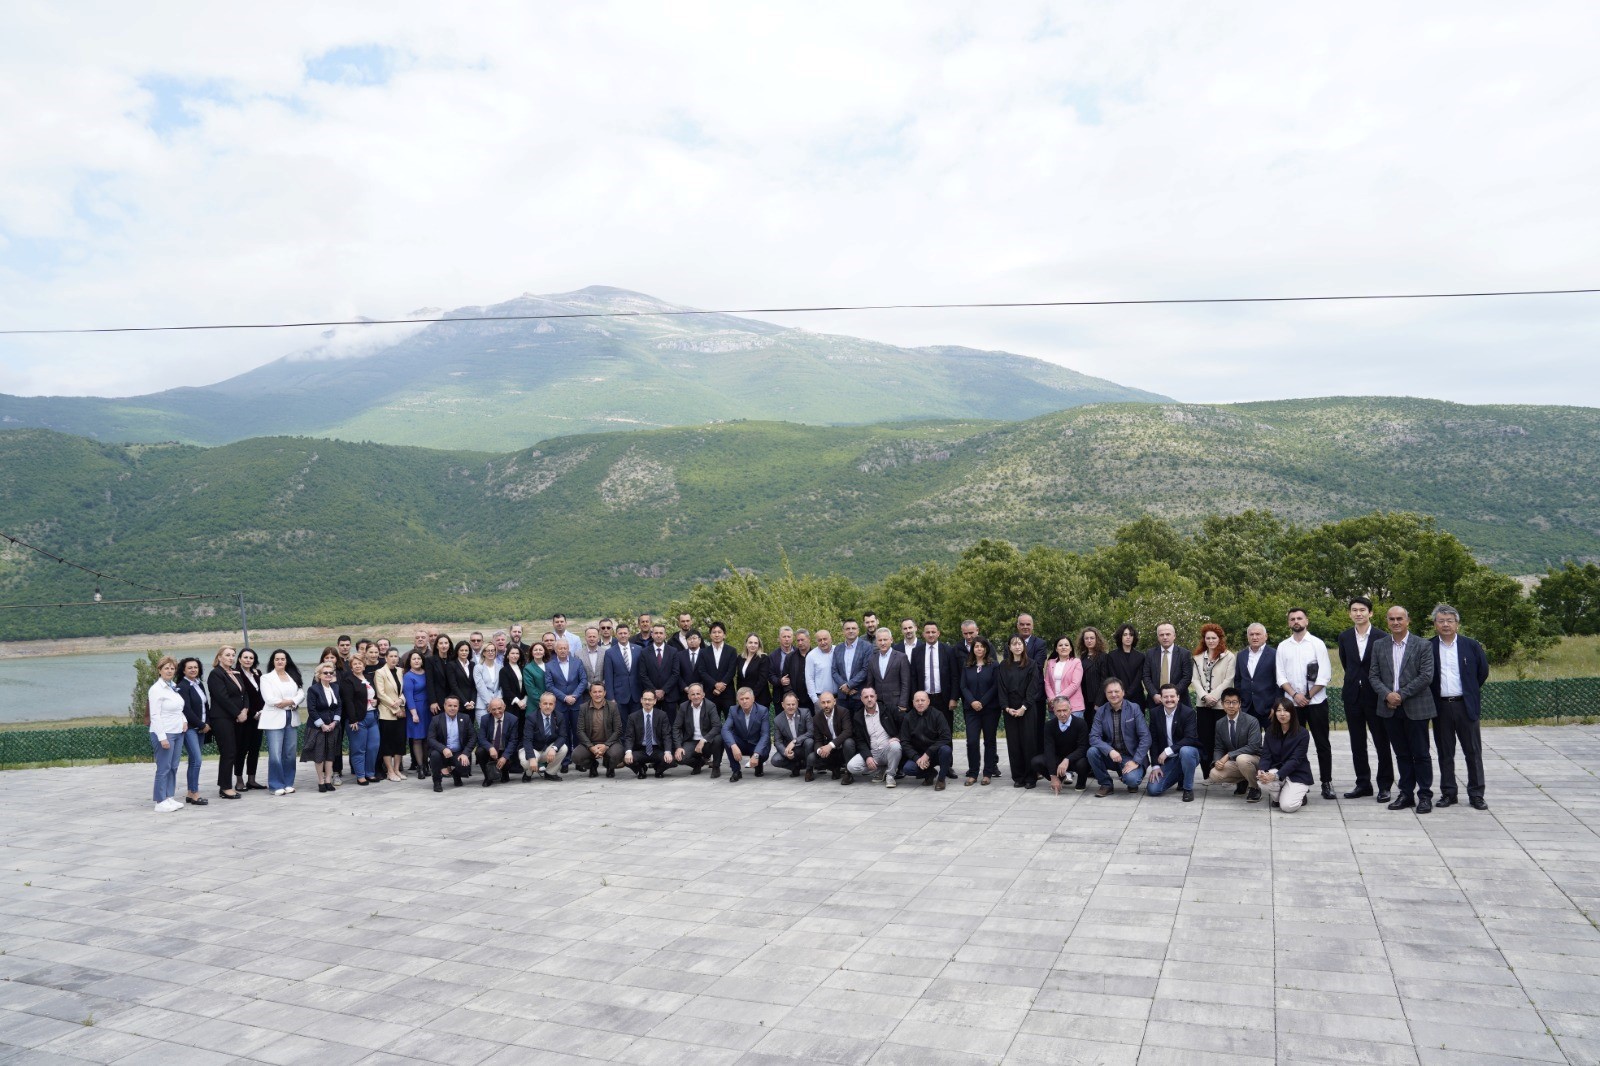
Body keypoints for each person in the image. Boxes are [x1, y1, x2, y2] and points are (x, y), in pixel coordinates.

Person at [1369, 605, 1438, 813]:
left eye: (1400, 618)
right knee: (1401, 754)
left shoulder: (1423, 644)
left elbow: (1426, 676)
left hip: (1416, 707)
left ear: (1408, 620)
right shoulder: (1379, 645)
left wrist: (1400, 695)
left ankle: (1424, 795)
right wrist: (1387, 695)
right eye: (1391, 619)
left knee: (1421, 754)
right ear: (1387, 622)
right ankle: (1406, 794)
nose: (1396, 622)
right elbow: (1373, 675)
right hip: (1389, 708)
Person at [1430, 603, 1490, 811]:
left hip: (1465, 705)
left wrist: (1469, 691)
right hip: (1440, 707)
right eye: (1441, 621)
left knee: (1473, 752)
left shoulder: (1471, 645)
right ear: (1435, 624)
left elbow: (1482, 672)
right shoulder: (1428, 647)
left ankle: (1476, 794)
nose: (1446, 624)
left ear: (1457, 623)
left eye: (1450, 621)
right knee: (1445, 752)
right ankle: (1449, 793)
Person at [1275, 608, 1335, 800]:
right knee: (1293, 745)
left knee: (1322, 743)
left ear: (1306, 621)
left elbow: (1324, 675)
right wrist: (1295, 695)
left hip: (1316, 702)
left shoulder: (1317, 644)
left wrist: (1307, 696)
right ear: (1288, 623)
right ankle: (1299, 782)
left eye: (1299, 618)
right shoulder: (1283, 646)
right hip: (1292, 704)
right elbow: (1280, 676)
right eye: (1292, 619)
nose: (1296, 621)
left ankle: (1326, 782)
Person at [1338, 597, 1393, 802]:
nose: (1358, 613)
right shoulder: (1344, 637)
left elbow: (1386, 667)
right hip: (1352, 696)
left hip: (1376, 696)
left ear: (1370, 613)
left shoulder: (1382, 637)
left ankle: (1385, 785)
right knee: (1357, 743)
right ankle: (1363, 784)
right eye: (1354, 610)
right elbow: (1346, 664)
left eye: (1362, 610)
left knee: (1381, 742)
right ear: (1349, 613)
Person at [1088, 678, 1150, 797]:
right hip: (1111, 755)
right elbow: (1093, 737)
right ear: (1105, 694)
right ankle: (1106, 784)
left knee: (1132, 780)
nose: (1113, 695)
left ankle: (1128, 777)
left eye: (1116, 691)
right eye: (1110, 692)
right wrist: (1109, 750)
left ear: (1123, 692)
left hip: (1131, 755)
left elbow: (1145, 737)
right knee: (1092, 752)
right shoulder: (1101, 711)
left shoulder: (1134, 708)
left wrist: (1136, 760)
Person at [1190, 623, 1235, 782]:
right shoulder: (1197, 657)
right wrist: (1204, 697)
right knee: (1205, 739)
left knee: (1222, 740)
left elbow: (1228, 680)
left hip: (1220, 705)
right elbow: (1195, 679)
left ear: (1219, 639)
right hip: (1203, 705)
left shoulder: (1229, 657)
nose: (1210, 641)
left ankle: (1224, 773)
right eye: (1207, 638)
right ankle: (1207, 774)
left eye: (1213, 638)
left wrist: (1214, 696)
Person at [998, 635, 1043, 788]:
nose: (1017, 647)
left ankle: (1030, 777)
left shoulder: (1032, 664)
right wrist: (1006, 707)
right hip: (1010, 709)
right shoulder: (1003, 665)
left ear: (1024, 646)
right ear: (1009, 647)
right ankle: (1018, 776)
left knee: (1029, 743)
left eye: (1020, 644)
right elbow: (1001, 688)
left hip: (1027, 709)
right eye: (1014, 644)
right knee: (1014, 744)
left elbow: (1033, 688)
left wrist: (1024, 707)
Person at [1144, 684, 1202, 801]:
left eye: (1172, 696)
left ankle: (1187, 788)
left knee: (1186, 751)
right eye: (1165, 697)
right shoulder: (1155, 713)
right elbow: (1153, 741)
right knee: (1153, 789)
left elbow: (1190, 738)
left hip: (1188, 754)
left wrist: (1168, 751)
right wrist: (1155, 766)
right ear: (1160, 698)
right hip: (1169, 760)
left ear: (1178, 697)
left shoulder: (1188, 712)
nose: (1169, 699)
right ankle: (1181, 774)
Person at [259, 649, 304, 795]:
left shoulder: (293, 676)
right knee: (275, 754)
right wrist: (288, 702)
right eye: (277, 659)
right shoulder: (266, 678)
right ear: (273, 661)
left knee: (290, 753)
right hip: (274, 719)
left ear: (287, 661)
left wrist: (290, 702)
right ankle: (275, 785)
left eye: (282, 659)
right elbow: (269, 699)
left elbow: (301, 693)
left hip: (291, 717)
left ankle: (288, 782)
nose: (280, 661)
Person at [1257, 698, 1314, 812]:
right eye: (1279, 710)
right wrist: (1262, 770)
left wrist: (1276, 776)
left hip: (1297, 773)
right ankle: (1280, 797)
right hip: (1277, 770)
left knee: (1287, 807)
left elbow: (1296, 760)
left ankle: (1299, 795)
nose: (1282, 714)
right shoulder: (1270, 731)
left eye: (1286, 710)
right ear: (1275, 713)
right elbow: (1266, 755)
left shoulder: (1303, 733)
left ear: (1292, 713)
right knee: (1262, 781)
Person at [1207, 689, 1263, 802]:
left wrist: (1229, 755)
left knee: (1242, 759)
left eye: (1234, 702)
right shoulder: (1220, 723)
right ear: (1222, 704)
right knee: (1214, 774)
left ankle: (1255, 788)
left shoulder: (1251, 721)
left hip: (1254, 759)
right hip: (1236, 761)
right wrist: (1217, 761)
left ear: (1240, 704)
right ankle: (1243, 780)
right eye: (1227, 702)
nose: (1231, 706)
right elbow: (1219, 747)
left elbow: (1254, 746)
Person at [147, 656, 188, 812]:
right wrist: (162, 737)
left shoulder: (173, 686)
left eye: (172, 668)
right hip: (164, 733)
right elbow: (155, 715)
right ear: (159, 670)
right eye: (166, 668)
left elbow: (178, 708)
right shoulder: (156, 689)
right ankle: (160, 800)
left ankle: (169, 796)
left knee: (173, 766)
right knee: (163, 767)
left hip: (178, 731)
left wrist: (184, 720)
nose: (170, 671)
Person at [206, 647, 246, 800]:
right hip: (222, 718)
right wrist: (237, 713)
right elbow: (222, 698)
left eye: (233, 655)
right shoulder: (216, 674)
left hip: (236, 718)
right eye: (227, 655)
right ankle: (225, 787)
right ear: (219, 657)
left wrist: (245, 710)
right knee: (228, 752)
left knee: (234, 751)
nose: (231, 658)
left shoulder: (235, 673)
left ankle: (226, 785)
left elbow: (244, 693)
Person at [959, 636, 1000, 786]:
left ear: (986, 648)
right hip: (971, 710)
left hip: (990, 709)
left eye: (982, 646)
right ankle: (973, 772)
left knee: (989, 741)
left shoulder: (994, 665)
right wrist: (972, 702)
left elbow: (995, 686)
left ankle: (987, 773)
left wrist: (982, 702)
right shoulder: (967, 665)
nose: (979, 649)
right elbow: (963, 686)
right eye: (976, 646)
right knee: (971, 741)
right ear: (973, 649)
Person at [543, 639, 588, 771]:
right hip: (560, 704)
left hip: (576, 702)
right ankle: (565, 761)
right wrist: (564, 697)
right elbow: (549, 685)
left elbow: (583, 680)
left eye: (565, 648)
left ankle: (579, 761)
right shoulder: (549, 665)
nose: (563, 650)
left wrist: (574, 696)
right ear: (555, 650)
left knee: (578, 732)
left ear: (568, 649)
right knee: (563, 732)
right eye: (560, 648)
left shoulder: (577, 662)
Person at [1033, 696, 1090, 794]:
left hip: (1076, 759)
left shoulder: (1081, 723)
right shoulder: (1049, 725)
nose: (1062, 714)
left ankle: (1081, 782)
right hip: (1058, 759)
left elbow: (1083, 747)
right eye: (1058, 711)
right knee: (1036, 761)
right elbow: (1049, 750)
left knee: (1083, 763)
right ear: (1054, 711)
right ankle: (1059, 777)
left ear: (1070, 709)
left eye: (1065, 710)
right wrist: (1053, 776)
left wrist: (1067, 759)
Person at [900, 690, 954, 790]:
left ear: (928, 702)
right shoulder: (908, 718)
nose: (920, 703)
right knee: (908, 769)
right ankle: (930, 773)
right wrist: (916, 758)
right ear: (913, 703)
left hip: (935, 753)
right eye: (917, 701)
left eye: (922, 700)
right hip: (919, 755)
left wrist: (928, 753)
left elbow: (946, 737)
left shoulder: (938, 715)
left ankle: (941, 780)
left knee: (946, 750)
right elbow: (904, 742)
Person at [909, 622, 958, 731]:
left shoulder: (948, 650)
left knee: (945, 730)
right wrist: (915, 698)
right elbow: (913, 677)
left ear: (938, 633)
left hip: (944, 699)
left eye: (933, 632)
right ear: (923, 634)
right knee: (925, 730)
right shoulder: (916, 651)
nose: (930, 635)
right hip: (924, 699)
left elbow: (954, 676)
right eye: (928, 632)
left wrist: (953, 698)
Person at [302, 662, 343, 792]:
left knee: (331, 754)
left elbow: (339, 706)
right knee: (319, 755)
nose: (329, 675)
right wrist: (322, 725)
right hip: (318, 727)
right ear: (319, 675)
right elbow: (311, 709)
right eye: (325, 673)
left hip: (332, 726)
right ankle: (321, 781)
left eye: (331, 673)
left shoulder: (335, 687)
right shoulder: (313, 689)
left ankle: (328, 780)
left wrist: (335, 722)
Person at [342, 650, 380, 786]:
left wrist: (376, 701)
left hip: (372, 717)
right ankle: (360, 775)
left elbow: (374, 696)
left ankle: (370, 773)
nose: (358, 666)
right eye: (355, 664)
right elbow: (348, 701)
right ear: (351, 667)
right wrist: (353, 719)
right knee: (359, 748)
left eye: (360, 663)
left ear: (364, 665)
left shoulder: (369, 678)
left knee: (373, 747)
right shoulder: (348, 680)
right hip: (358, 719)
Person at [176, 657, 209, 806]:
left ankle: (190, 792)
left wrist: (207, 723)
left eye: (195, 667)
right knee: (197, 760)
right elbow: (186, 710)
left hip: (201, 728)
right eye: (190, 668)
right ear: (183, 670)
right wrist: (201, 724)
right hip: (190, 728)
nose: (193, 670)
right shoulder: (182, 686)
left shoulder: (199, 684)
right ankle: (195, 794)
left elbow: (205, 705)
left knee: (193, 761)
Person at [623, 690, 678, 778]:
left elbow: (666, 735)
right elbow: (629, 737)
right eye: (645, 699)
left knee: (672, 760)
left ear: (655, 701)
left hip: (657, 748)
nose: (647, 702)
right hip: (641, 749)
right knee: (627, 759)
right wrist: (628, 752)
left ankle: (659, 769)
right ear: (641, 700)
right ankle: (641, 769)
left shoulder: (662, 715)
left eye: (650, 699)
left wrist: (668, 752)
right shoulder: (633, 717)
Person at [573, 683, 624, 778]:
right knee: (576, 756)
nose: (597, 694)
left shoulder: (613, 707)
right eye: (595, 692)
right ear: (590, 693)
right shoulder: (583, 707)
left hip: (610, 742)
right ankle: (593, 765)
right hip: (590, 742)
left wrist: (606, 746)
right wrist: (591, 747)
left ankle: (609, 766)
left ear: (604, 693)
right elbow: (580, 730)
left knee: (617, 754)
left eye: (600, 691)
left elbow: (618, 730)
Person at [427, 696, 477, 791]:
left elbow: (473, 737)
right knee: (434, 755)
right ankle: (437, 782)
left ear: (458, 707)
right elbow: (430, 739)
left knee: (464, 765)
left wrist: (465, 753)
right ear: (444, 706)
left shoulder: (465, 718)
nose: (452, 708)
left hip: (458, 753)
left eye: (455, 706)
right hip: (441, 752)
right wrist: (443, 749)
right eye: (450, 705)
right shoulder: (436, 719)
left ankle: (456, 774)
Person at [675, 683, 725, 778]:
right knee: (679, 758)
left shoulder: (710, 706)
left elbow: (717, 726)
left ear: (703, 695)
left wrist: (703, 740)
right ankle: (697, 763)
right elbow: (676, 727)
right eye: (693, 694)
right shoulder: (683, 707)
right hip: (691, 740)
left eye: (698, 693)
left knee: (719, 739)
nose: (696, 696)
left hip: (707, 741)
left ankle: (716, 767)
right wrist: (678, 747)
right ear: (689, 696)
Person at [1043, 635, 1084, 749]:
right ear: (1056, 649)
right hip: (1054, 706)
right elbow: (1047, 682)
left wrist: (1058, 699)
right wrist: (1052, 699)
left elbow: (1075, 684)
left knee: (1073, 738)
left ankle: (1074, 759)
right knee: (1057, 738)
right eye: (1060, 645)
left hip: (1074, 706)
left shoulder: (1076, 662)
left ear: (1071, 648)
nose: (1063, 647)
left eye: (1066, 645)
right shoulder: (1050, 663)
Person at [233, 648, 266, 791]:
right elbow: (238, 697)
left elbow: (262, 694)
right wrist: (252, 713)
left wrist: (262, 712)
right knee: (241, 749)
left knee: (255, 749)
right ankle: (239, 780)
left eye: (251, 658)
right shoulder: (235, 674)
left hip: (259, 717)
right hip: (244, 717)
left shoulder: (257, 674)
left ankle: (251, 779)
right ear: (239, 659)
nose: (248, 660)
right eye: (245, 657)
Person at [721, 687, 770, 782]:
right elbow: (725, 729)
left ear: (753, 699)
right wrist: (733, 746)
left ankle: (758, 765)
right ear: (738, 700)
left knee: (763, 751)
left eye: (747, 698)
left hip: (756, 744)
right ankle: (736, 771)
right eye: (741, 699)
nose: (744, 701)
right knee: (727, 739)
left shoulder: (762, 710)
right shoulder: (733, 710)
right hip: (742, 743)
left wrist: (756, 754)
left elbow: (765, 735)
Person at [1142, 623, 1193, 712]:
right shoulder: (1150, 654)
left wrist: (1172, 695)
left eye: (1168, 634)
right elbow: (1146, 676)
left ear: (1174, 636)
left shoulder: (1184, 654)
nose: (1165, 637)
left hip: (1179, 700)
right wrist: (1154, 694)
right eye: (1161, 635)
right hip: (1156, 701)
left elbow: (1187, 677)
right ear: (1158, 637)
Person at [375, 647, 408, 783]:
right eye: (391, 656)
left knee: (400, 742)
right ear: (386, 658)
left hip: (401, 711)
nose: (394, 659)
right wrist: (395, 708)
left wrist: (401, 700)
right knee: (387, 743)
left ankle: (397, 769)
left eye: (396, 656)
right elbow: (381, 694)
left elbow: (405, 690)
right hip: (387, 712)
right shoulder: (380, 672)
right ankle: (389, 771)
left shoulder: (401, 671)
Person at [812, 690, 859, 783]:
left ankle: (849, 773)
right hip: (832, 752)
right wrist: (820, 750)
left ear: (834, 701)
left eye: (828, 702)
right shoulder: (816, 718)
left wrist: (830, 745)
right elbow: (818, 740)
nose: (826, 705)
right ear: (820, 704)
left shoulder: (843, 712)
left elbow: (847, 732)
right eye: (823, 702)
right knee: (812, 757)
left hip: (843, 747)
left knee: (848, 742)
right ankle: (834, 768)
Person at [863, 627, 911, 717]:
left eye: (885, 639)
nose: (882, 643)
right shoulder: (872, 659)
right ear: (876, 642)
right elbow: (870, 683)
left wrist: (903, 703)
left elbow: (906, 683)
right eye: (880, 640)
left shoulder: (901, 657)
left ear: (891, 640)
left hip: (897, 703)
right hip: (878, 704)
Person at [1235, 623, 1277, 725]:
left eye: (1258, 634)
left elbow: (1279, 682)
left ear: (1265, 636)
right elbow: (1238, 680)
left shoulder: (1274, 654)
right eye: (1251, 634)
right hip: (1247, 707)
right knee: (1248, 736)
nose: (1254, 637)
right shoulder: (1241, 655)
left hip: (1268, 707)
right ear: (1247, 637)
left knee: (1272, 735)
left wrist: (1276, 705)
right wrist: (1239, 702)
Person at [523, 691, 569, 781]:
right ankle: (528, 773)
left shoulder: (559, 716)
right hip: (534, 749)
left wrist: (554, 748)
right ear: (540, 705)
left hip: (547, 749)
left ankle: (550, 773)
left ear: (554, 705)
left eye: (551, 704)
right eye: (545, 703)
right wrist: (532, 758)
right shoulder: (531, 717)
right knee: (526, 762)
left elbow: (562, 736)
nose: (548, 706)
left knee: (563, 748)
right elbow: (527, 740)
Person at [604, 625, 646, 722]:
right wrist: (611, 698)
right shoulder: (610, 652)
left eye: (625, 633)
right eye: (620, 633)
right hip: (619, 696)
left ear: (629, 634)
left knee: (637, 722)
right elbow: (608, 677)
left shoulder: (639, 649)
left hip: (637, 695)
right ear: (616, 635)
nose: (623, 635)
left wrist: (644, 693)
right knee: (622, 724)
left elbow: (642, 673)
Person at [475, 698, 520, 787]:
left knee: (509, 756)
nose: (497, 712)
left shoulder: (513, 719)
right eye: (494, 709)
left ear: (504, 707)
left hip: (504, 750)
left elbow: (513, 741)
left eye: (499, 708)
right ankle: (488, 777)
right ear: (489, 709)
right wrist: (490, 747)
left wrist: (504, 757)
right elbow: (481, 738)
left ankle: (505, 773)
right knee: (479, 751)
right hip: (490, 750)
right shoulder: (485, 719)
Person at [641, 623, 684, 715]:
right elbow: (643, 675)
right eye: (656, 633)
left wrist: (664, 690)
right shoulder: (644, 652)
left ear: (665, 635)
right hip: (651, 697)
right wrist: (654, 691)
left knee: (670, 721)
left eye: (661, 633)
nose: (658, 635)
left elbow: (676, 673)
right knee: (653, 722)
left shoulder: (673, 651)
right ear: (652, 635)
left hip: (670, 695)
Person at [402, 649, 431, 780]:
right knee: (417, 739)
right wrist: (414, 713)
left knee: (427, 739)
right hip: (415, 709)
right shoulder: (408, 676)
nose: (416, 661)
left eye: (418, 658)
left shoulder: (427, 673)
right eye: (414, 659)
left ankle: (426, 764)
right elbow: (409, 696)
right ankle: (419, 766)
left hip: (428, 709)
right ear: (410, 661)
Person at [831, 621, 870, 714]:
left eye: (853, 628)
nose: (851, 631)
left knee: (859, 722)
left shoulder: (867, 647)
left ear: (858, 630)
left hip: (859, 695)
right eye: (848, 629)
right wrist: (845, 687)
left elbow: (866, 669)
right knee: (842, 722)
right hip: (842, 696)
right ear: (843, 631)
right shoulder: (838, 648)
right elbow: (834, 671)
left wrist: (849, 685)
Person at [768, 692, 812, 776]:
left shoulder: (805, 713)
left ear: (797, 704)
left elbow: (811, 732)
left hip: (804, 747)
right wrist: (785, 752)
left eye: (793, 704)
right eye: (788, 704)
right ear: (782, 705)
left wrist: (795, 741)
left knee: (809, 742)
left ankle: (809, 770)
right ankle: (795, 766)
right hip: (790, 749)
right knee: (775, 760)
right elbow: (777, 741)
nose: (791, 707)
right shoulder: (777, 720)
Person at [699, 622, 738, 713]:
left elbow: (732, 670)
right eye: (714, 632)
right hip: (710, 692)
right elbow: (702, 671)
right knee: (711, 720)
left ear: (724, 635)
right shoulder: (703, 652)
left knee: (731, 719)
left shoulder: (731, 651)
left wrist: (722, 685)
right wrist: (715, 684)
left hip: (727, 693)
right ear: (710, 635)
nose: (717, 635)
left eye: (719, 632)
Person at [1108, 624, 1146, 708]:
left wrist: (1128, 693)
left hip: (1137, 697)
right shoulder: (1112, 656)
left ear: (1134, 637)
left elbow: (1138, 677)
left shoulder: (1141, 656)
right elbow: (1113, 676)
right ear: (1120, 637)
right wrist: (1121, 692)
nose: (1128, 637)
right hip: (1118, 695)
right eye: (1125, 634)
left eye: (1131, 635)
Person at [1078, 627, 1111, 717]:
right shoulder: (1082, 657)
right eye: (1086, 638)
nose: (1089, 641)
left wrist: (1098, 702)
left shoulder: (1103, 657)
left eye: (1092, 638)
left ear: (1097, 639)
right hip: (1084, 699)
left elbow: (1104, 681)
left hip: (1098, 701)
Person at [472, 646, 503, 737]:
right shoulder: (478, 668)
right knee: (485, 732)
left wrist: (497, 702)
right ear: (484, 653)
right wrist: (490, 704)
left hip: (498, 704)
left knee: (497, 732)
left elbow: (501, 686)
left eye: (493, 650)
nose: (490, 652)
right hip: (483, 705)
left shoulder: (500, 667)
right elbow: (480, 686)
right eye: (488, 650)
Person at [424, 633, 454, 727]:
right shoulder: (430, 660)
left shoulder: (454, 659)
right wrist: (433, 701)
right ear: (437, 646)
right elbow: (429, 682)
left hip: (453, 700)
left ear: (449, 645)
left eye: (446, 643)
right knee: (440, 727)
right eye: (441, 643)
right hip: (438, 701)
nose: (444, 646)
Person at [735, 633, 771, 710]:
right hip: (744, 699)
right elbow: (739, 678)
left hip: (760, 698)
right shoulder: (740, 658)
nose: (753, 645)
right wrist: (740, 695)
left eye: (755, 643)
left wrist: (751, 696)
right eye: (750, 642)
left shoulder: (763, 658)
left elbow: (762, 680)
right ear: (746, 644)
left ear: (759, 645)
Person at [804, 629, 837, 709]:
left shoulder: (838, 650)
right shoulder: (811, 656)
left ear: (830, 639)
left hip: (838, 698)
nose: (823, 642)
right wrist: (815, 700)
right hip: (821, 699)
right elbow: (809, 679)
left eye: (825, 639)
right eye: (820, 640)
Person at [500, 645, 528, 731]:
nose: (515, 655)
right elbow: (506, 690)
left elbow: (526, 687)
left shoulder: (523, 668)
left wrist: (524, 700)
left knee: (523, 728)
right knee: (512, 729)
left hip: (524, 704)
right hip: (511, 704)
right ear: (507, 655)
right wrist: (518, 701)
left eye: (517, 653)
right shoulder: (504, 670)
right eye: (512, 653)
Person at [523, 641, 549, 718]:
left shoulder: (550, 665)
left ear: (544, 652)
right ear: (532, 653)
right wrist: (543, 704)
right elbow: (531, 690)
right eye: (535, 650)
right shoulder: (528, 668)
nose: (538, 651)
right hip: (535, 706)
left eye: (540, 650)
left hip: (550, 705)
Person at [578, 626, 607, 693]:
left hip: (602, 693)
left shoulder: (605, 653)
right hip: (585, 692)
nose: (592, 639)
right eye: (589, 637)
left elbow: (608, 673)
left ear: (598, 638)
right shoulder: (578, 654)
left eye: (594, 636)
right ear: (585, 638)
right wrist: (591, 687)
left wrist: (600, 687)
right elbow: (578, 675)